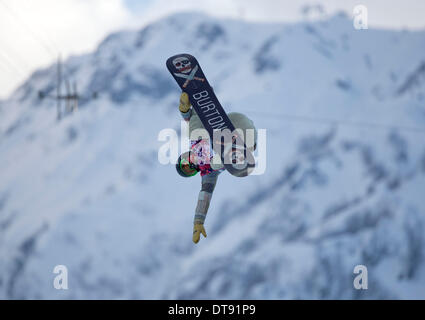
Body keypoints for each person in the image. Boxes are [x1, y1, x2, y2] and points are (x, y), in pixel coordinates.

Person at [176, 92, 257, 244]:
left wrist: (184, 109)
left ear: (184, 155)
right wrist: (198, 222)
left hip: (235, 122)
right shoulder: (207, 173)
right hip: (248, 140)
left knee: (194, 135)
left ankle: (201, 97)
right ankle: (234, 153)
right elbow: (205, 196)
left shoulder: (195, 142)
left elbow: (189, 120)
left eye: (185, 164)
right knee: (211, 165)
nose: (190, 166)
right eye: (190, 171)